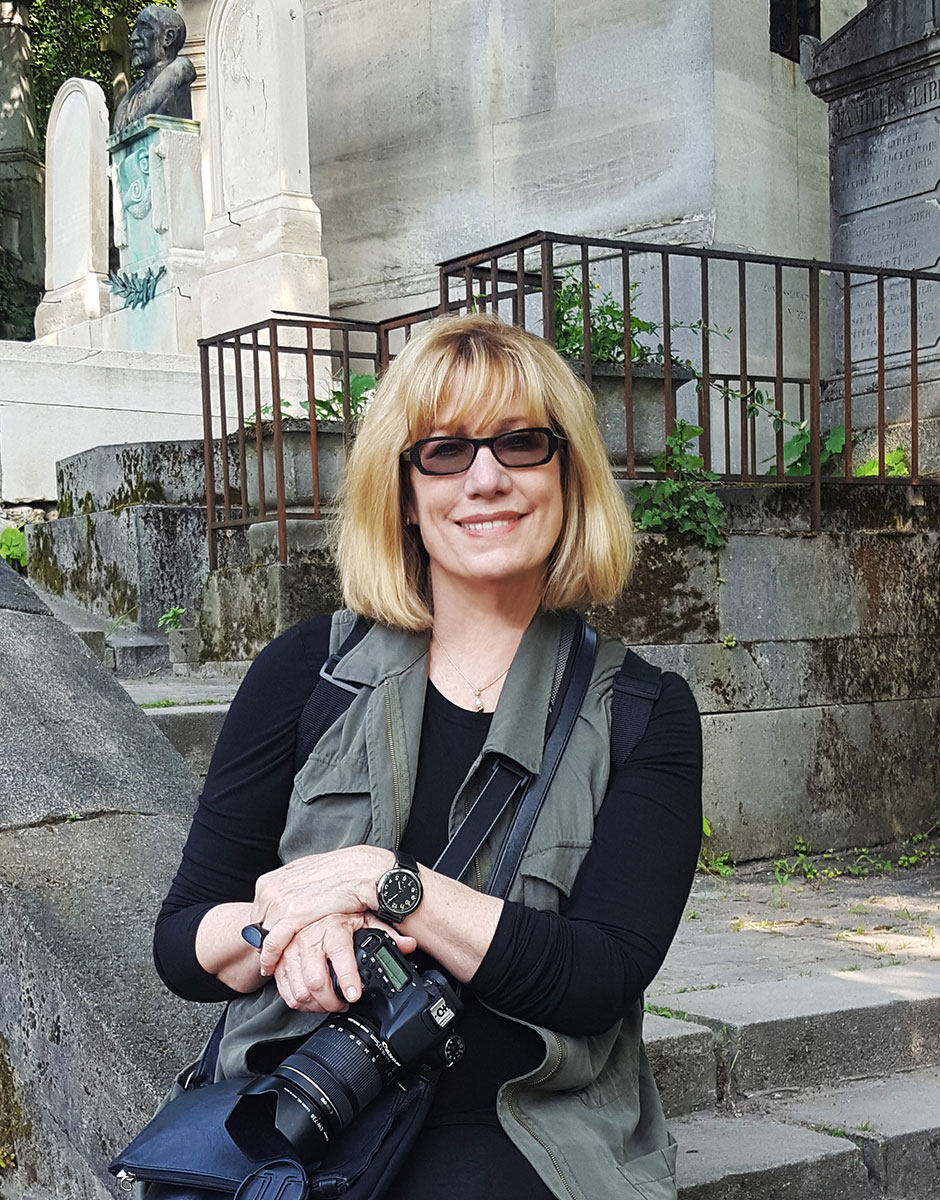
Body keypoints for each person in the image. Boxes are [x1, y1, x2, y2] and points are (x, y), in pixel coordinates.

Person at [154, 314, 703, 1200]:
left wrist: (381, 879)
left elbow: (597, 975)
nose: (485, 478)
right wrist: (292, 930)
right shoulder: (310, 672)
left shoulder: (643, 711)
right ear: (406, 492)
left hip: (522, 1122)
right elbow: (182, 941)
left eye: (522, 444)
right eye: (445, 451)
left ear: (567, 476)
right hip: (311, 1099)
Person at [113, 5, 195, 133]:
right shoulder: (133, 95)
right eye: (134, 30)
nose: (133, 37)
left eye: (144, 28)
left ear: (168, 38)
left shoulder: (177, 76)